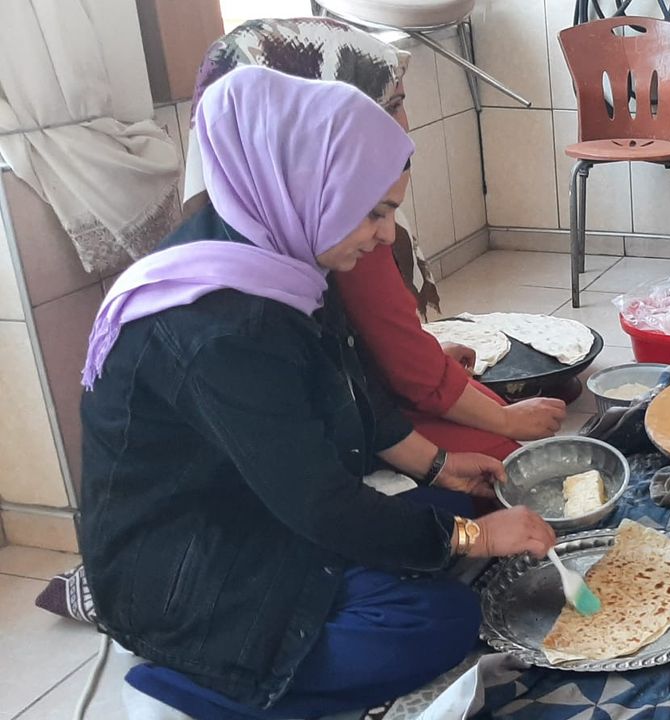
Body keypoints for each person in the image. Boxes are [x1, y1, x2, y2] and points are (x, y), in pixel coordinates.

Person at [78, 67, 557, 718]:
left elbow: (350, 389)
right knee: (441, 617)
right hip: (187, 569)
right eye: (375, 212)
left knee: (450, 511)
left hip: (254, 511)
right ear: (308, 186)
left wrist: (440, 466)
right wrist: (475, 540)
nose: (387, 234)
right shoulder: (221, 327)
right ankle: (189, 690)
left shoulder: (275, 256)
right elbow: (321, 504)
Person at [186, 17, 565, 461]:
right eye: (391, 103)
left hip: (347, 411)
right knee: (505, 457)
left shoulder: (256, 201)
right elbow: (393, 381)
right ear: (322, 116)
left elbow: (357, 349)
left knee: (548, 400)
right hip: (321, 449)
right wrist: (489, 444)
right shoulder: (332, 231)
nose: (404, 122)